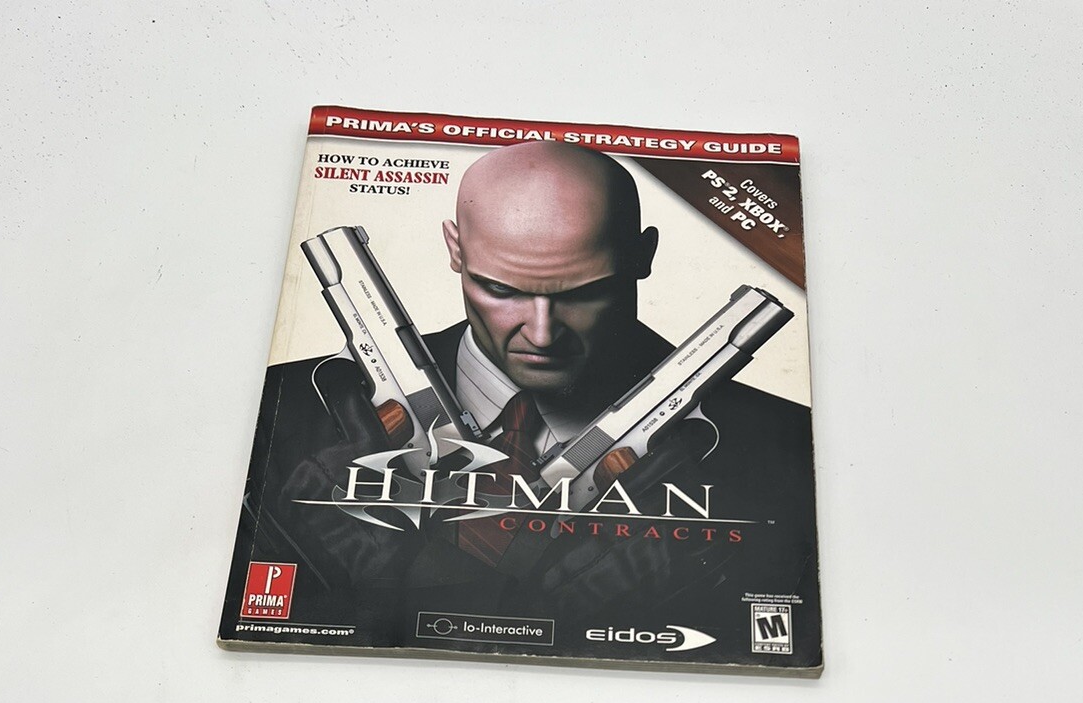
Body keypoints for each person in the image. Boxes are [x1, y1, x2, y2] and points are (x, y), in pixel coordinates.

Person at [231, 143, 817, 648]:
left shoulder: (782, 448)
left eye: (583, 293)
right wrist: (311, 550)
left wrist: (699, 580)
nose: (541, 333)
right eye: (501, 289)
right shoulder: (285, 407)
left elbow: (770, 635)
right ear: (455, 249)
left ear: (642, 257)